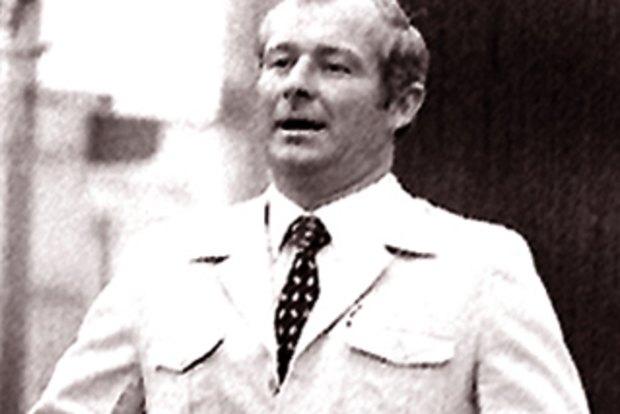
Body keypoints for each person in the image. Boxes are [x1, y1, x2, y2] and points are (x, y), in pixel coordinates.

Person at [30, 0, 590, 412]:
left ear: (402, 104)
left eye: (334, 66)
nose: (296, 85)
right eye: (280, 63)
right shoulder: (164, 267)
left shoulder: (481, 271)